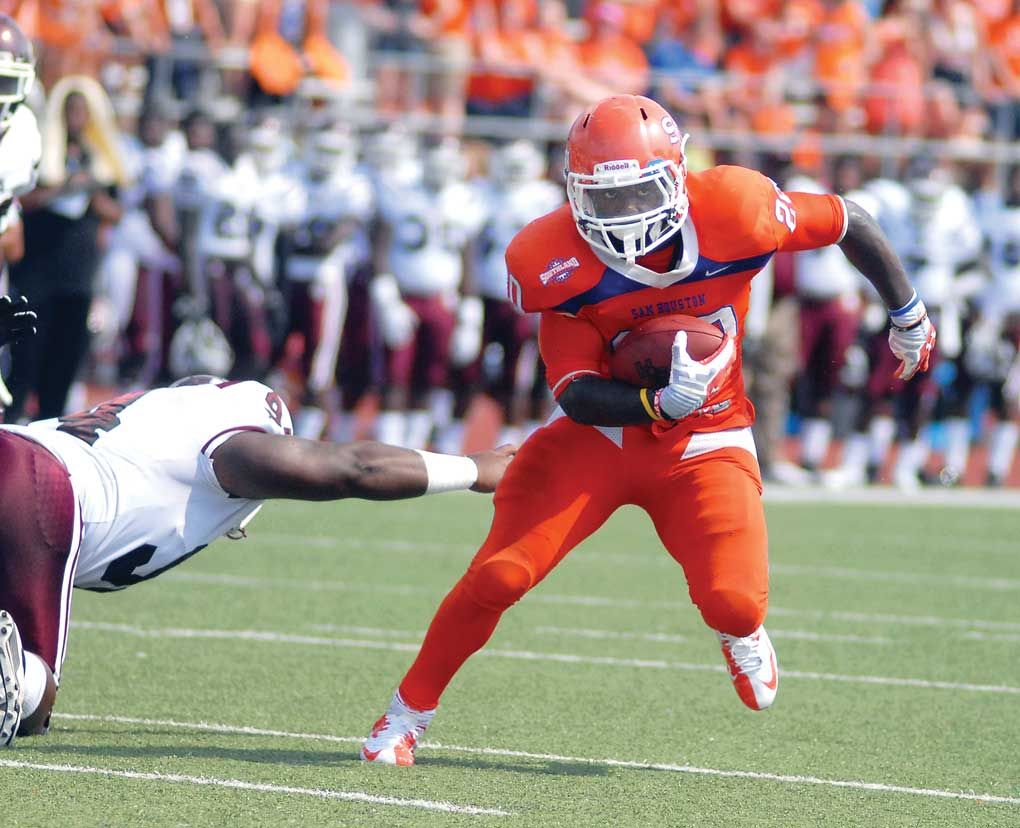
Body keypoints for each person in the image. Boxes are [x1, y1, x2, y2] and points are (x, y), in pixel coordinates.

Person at [360, 94, 937, 766]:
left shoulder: (737, 207)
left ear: (679, 172)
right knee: (500, 574)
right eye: (605, 199)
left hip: (709, 436)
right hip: (602, 437)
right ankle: (405, 714)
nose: (624, 215)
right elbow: (575, 392)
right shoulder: (552, 257)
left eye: (638, 193)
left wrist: (908, 312)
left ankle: (740, 634)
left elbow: (847, 220)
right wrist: (657, 401)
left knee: (735, 602)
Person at [0, 298, 515, 747]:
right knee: (30, 701)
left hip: (20, 453)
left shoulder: (146, 420)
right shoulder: (230, 444)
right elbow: (354, 468)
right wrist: (472, 470)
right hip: (43, 490)